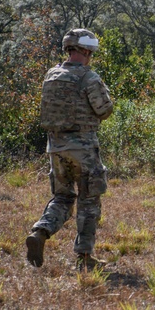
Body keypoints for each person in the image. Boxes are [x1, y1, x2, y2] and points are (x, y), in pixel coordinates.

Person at [26, 29, 114, 271]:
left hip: (55, 147)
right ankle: (84, 256)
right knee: (89, 200)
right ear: (85, 51)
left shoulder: (51, 75)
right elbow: (104, 110)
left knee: (63, 197)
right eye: (90, 53)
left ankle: (41, 231)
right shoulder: (89, 78)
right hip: (83, 147)